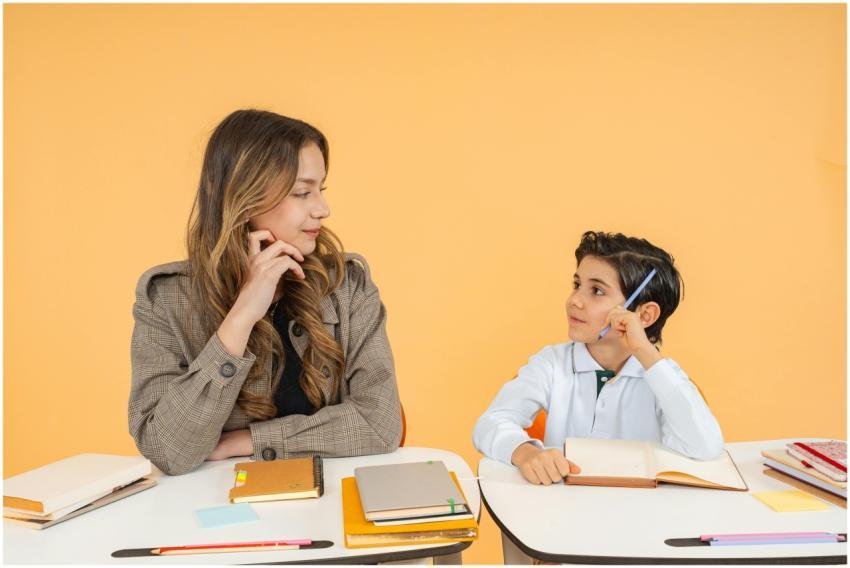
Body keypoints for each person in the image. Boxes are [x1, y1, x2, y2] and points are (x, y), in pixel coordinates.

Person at [129, 109, 402, 475]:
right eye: (302, 192)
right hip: (213, 513)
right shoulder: (166, 299)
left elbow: (380, 424)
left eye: (320, 190)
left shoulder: (347, 286)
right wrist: (242, 315)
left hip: (329, 505)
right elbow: (167, 449)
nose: (323, 208)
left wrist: (249, 442)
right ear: (243, 198)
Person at [472, 231, 723, 485]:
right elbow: (489, 423)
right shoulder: (551, 363)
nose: (575, 301)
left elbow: (706, 447)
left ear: (644, 316)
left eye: (597, 291)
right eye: (577, 285)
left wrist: (645, 352)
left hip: (641, 515)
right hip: (560, 515)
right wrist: (526, 453)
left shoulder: (662, 375)